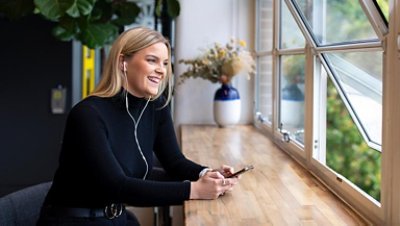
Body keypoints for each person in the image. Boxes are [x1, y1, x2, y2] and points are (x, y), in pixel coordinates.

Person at [37, 26, 239, 226]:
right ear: (123, 62)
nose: (161, 70)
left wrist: (208, 175)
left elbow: (175, 162)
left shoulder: (156, 107)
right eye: (152, 60)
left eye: (165, 63)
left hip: (117, 218)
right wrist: (195, 190)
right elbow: (116, 186)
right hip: (74, 220)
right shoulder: (87, 115)